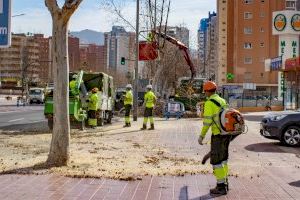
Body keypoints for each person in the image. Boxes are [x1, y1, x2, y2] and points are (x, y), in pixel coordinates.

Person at [198, 81, 230, 196]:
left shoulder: (209, 103)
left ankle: (221, 187)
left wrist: (201, 136)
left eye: (205, 91)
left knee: (216, 161)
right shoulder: (223, 101)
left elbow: (207, 122)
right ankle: (225, 182)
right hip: (226, 134)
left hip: (218, 135)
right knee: (224, 159)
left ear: (207, 91)